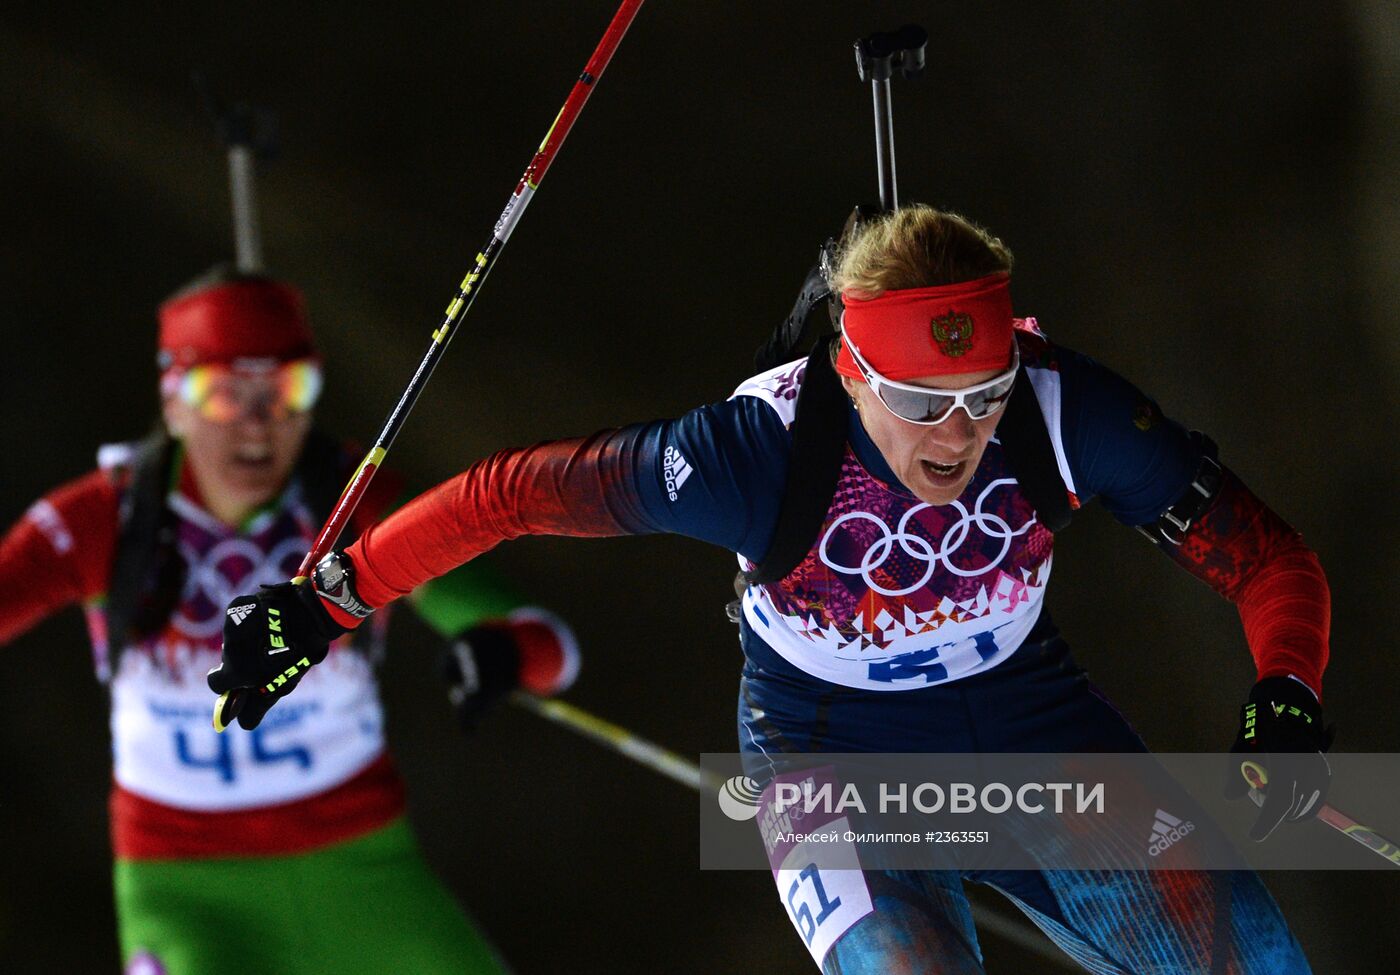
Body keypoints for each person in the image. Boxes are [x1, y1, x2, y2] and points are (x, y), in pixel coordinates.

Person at [211, 207, 1331, 973]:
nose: (960, 434)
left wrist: (1284, 692)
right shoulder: (755, 453)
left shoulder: (1062, 411)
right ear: (851, 371)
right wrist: (327, 601)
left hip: (1027, 727)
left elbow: (1266, 558)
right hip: (818, 756)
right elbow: (514, 492)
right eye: (920, 400)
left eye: (981, 393)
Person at [0, 267, 579, 975]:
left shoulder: (358, 506)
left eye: (287, 389)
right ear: (173, 400)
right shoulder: (106, 519)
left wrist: (503, 649)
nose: (258, 420)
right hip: (188, 888)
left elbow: (552, 647)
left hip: (366, 868)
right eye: (223, 392)